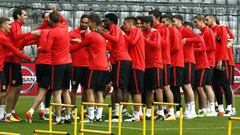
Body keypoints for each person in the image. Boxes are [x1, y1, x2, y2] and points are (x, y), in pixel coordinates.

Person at [71, 12, 109, 122]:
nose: (88, 25)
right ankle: (98, 115)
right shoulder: (100, 35)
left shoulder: (92, 35)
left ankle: (91, 116)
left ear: (92, 22)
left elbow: (79, 46)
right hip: (103, 66)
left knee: (89, 90)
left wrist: (65, 48)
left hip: (95, 66)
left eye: (89, 22)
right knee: (99, 92)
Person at [37, 11, 72, 124]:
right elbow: (64, 21)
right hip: (68, 63)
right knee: (66, 92)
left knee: (57, 92)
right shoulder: (65, 28)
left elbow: (47, 48)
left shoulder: (52, 32)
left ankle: (57, 118)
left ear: (51, 21)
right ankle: (68, 116)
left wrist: (40, 49)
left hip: (57, 64)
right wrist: (57, 12)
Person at [97, 13, 132, 120]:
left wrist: (102, 34)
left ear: (111, 21)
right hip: (120, 60)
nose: (104, 23)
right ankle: (117, 112)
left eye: (106, 21)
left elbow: (116, 39)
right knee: (117, 87)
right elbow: (113, 46)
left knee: (118, 87)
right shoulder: (113, 29)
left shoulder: (114, 28)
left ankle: (118, 114)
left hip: (122, 60)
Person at [4, 7, 36, 122]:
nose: (26, 17)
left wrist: (35, 38)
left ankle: (12, 111)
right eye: (24, 14)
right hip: (11, 60)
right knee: (12, 88)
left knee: (18, 87)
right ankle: (7, 114)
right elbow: (17, 38)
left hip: (16, 60)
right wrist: (33, 33)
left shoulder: (19, 27)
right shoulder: (15, 26)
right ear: (18, 16)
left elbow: (22, 41)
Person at [172, 14, 201, 119]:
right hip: (182, 61)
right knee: (184, 86)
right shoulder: (176, 31)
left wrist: (187, 40)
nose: (173, 23)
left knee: (188, 85)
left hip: (188, 60)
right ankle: (188, 109)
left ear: (180, 21)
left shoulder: (184, 30)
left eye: (174, 21)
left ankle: (192, 110)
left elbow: (198, 39)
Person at [205, 14, 233, 116]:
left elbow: (225, 44)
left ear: (213, 19)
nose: (206, 22)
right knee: (215, 85)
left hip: (222, 60)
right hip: (213, 61)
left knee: (225, 84)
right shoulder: (209, 30)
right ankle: (220, 108)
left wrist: (220, 59)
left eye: (207, 20)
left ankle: (229, 107)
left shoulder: (221, 28)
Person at [149, 10, 175, 119]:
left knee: (165, 86)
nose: (150, 19)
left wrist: (154, 36)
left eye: (151, 17)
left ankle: (171, 112)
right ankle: (164, 109)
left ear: (157, 18)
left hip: (163, 60)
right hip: (159, 60)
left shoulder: (161, 29)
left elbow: (163, 44)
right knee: (160, 86)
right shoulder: (156, 29)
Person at [141, 16, 164, 120]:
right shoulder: (142, 33)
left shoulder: (155, 32)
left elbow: (157, 45)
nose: (141, 25)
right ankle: (149, 113)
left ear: (149, 23)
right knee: (148, 90)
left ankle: (161, 112)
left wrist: (144, 40)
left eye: (143, 23)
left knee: (158, 89)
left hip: (156, 64)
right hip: (146, 64)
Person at [161, 13, 184, 118]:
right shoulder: (169, 31)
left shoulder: (173, 31)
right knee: (170, 86)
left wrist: (166, 52)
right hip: (172, 62)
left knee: (174, 87)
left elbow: (176, 47)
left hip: (175, 62)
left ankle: (178, 110)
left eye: (164, 22)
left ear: (169, 22)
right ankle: (170, 109)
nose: (162, 24)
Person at [193, 15, 217, 117]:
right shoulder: (201, 33)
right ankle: (209, 108)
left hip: (208, 61)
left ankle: (208, 108)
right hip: (204, 61)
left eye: (196, 22)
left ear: (201, 21)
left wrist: (199, 50)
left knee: (203, 86)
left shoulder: (207, 31)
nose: (195, 24)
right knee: (206, 85)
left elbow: (212, 47)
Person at [123, 17, 145, 121]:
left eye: (125, 24)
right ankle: (139, 113)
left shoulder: (136, 31)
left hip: (136, 65)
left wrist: (123, 35)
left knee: (136, 91)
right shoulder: (130, 33)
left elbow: (132, 42)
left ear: (130, 23)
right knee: (133, 91)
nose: (124, 26)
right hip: (133, 65)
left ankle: (136, 115)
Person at [69, 14, 89, 108]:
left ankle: (84, 110)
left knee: (86, 89)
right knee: (74, 89)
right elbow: (68, 49)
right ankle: (73, 110)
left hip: (88, 66)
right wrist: (78, 43)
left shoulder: (90, 35)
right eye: (83, 22)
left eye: (86, 23)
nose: (84, 24)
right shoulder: (72, 33)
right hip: (76, 65)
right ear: (80, 21)